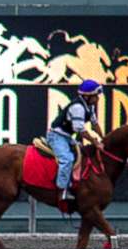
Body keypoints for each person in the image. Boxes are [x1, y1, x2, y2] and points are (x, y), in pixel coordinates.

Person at [45, 77, 105, 205]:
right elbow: (81, 130)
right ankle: (61, 191)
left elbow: (94, 124)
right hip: (57, 136)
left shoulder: (89, 107)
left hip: (66, 137)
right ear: (87, 96)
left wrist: (103, 137)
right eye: (95, 96)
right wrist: (95, 142)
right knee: (67, 159)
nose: (98, 98)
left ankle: (73, 184)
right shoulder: (78, 107)